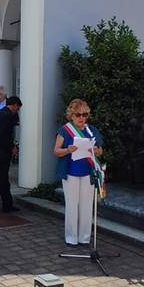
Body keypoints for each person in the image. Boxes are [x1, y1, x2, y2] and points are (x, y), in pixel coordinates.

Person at [53, 99, 104, 246]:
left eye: (85, 114)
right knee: (72, 205)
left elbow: (100, 150)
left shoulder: (91, 130)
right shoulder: (65, 130)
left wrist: (95, 150)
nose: (82, 117)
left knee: (87, 206)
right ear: (71, 115)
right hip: (70, 172)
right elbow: (56, 151)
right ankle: (71, 238)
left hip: (88, 172)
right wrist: (68, 150)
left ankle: (85, 238)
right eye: (78, 114)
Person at [0, 96, 22, 216]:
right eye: (18, 108)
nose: (17, 111)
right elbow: (5, 136)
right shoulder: (9, 116)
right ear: (15, 105)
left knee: (4, 180)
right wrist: (12, 147)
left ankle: (7, 204)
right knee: (1, 180)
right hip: (3, 153)